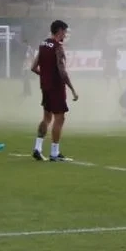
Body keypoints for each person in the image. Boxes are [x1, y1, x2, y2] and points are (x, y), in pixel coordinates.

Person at [31, 20, 79, 162]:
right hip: (56, 87)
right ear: (59, 31)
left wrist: (45, 76)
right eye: (65, 31)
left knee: (47, 118)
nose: (65, 34)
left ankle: (37, 148)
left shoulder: (43, 44)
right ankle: (54, 153)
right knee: (60, 118)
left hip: (45, 86)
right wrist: (72, 89)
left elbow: (34, 67)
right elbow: (62, 71)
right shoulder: (58, 47)